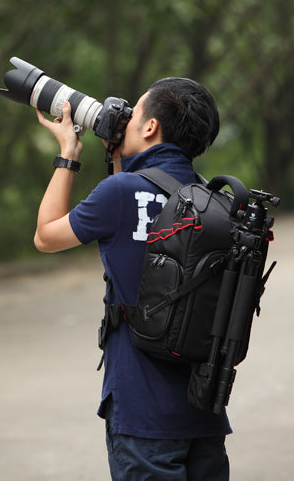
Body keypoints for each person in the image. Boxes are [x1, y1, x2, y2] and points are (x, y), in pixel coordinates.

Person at [33, 77, 230, 481]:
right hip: (204, 411)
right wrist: (118, 154)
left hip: (142, 410)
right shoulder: (215, 204)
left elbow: (46, 235)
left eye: (134, 112)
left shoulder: (120, 193)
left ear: (150, 127)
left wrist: (68, 152)